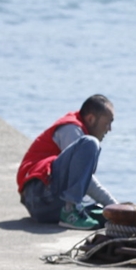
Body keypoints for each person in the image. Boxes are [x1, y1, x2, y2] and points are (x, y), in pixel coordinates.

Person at [16, 95, 120, 229]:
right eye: (107, 123)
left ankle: (73, 210)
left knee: (101, 216)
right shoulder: (71, 129)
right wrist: (115, 206)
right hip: (38, 194)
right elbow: (88, 183)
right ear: (91, 119)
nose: (109, 129)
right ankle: (70, 211)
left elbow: (79, 180)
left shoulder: (79, 130)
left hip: (46, 204)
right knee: (90, 143)